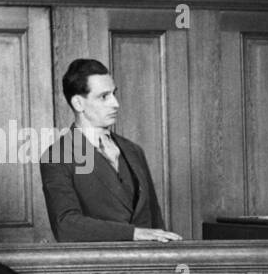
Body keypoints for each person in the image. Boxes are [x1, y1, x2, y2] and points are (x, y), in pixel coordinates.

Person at [40, 58, 182, 241]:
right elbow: (66, 225)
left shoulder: (133, 151)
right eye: (104, 96)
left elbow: (155, 222)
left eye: (114, 94)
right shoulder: (57, 157)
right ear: (78, 104)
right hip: (99, 266)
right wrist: (134, 234)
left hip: (146, 265)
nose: (115, 103)